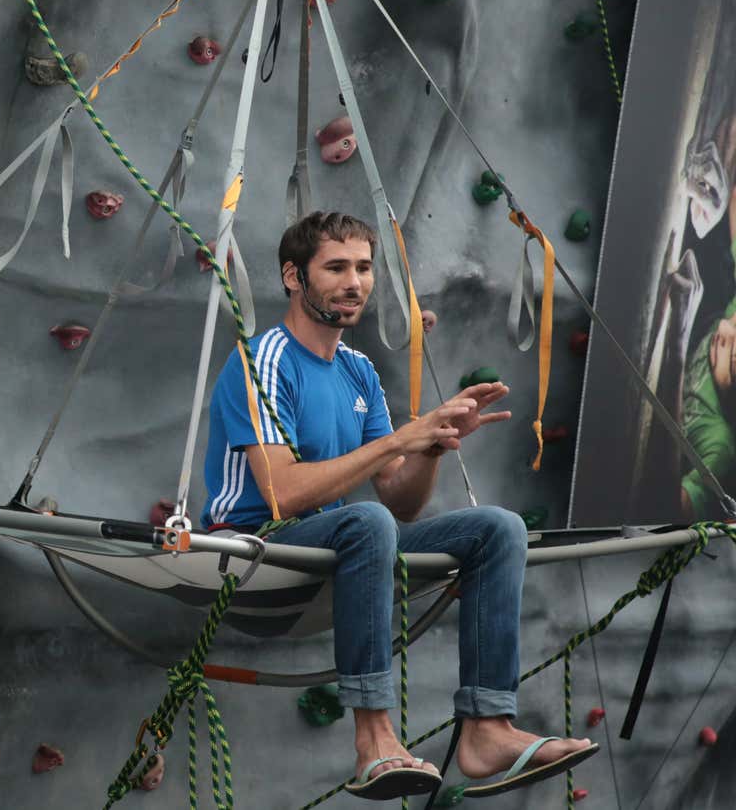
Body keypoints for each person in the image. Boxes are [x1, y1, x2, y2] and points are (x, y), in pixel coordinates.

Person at [201, 212, 597, 800]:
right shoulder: (262, 359)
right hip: (253, 552)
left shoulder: (359, 372)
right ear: (293, 276)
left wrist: (433, 446)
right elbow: (282, 494)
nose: (355, 281)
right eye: (336, 267)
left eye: (363, 267)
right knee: (365, 521)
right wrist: (398, 439)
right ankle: (373, 736)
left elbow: (402, 500)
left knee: (498, 528)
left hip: (334, 542)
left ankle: (487, 728)